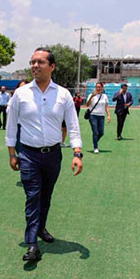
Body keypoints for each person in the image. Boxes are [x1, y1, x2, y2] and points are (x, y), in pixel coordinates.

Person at [6, 48, 83, 262]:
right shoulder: (20, 94)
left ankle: (41, 229)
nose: (34, 66)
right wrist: (12, 153)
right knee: (33, 196)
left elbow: (73, 125)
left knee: (46, 196)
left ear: (52, 67)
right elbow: (11, 126)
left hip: (53, 154)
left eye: (40, 62)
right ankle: (32, 244)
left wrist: (77, 152)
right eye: (32, 62)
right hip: (28, 154)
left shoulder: (63, 94)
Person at [86, 82, 111, 154]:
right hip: (93, 115)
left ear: (102, 88)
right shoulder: (91, 95)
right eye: (97, 87)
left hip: (101, 116)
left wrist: (108, 115)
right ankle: (95, 147)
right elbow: (87, 105)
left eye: (99, 87)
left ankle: (95, 141)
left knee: (101, 132)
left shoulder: (104, 96)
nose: (98, 88)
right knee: (95, 131)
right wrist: (91, 97)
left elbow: (106, 106)